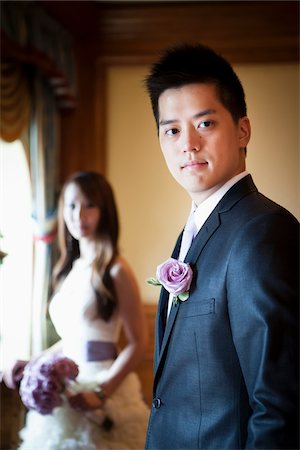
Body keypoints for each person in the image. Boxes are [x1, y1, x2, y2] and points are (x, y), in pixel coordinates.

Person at [144, 43, 299, 450]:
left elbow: (278, 405)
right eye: (172, 129)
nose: (187, 144)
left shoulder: (262, 232)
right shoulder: (196, 230)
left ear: (243, 129)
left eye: (205, 124)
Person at [4, 171, 150, 449]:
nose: (78, 214)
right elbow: (73, 340)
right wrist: (34, 362)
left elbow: (138, 343)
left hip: (103, 385)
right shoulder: (69, 270)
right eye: (71, 205)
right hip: (65, 390)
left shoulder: (117, 269)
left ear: (104, 211)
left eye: (89, 205)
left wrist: (101, 392)